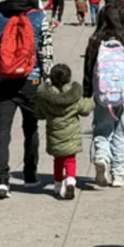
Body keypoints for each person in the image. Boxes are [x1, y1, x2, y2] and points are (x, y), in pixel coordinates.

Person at [0, 0, 53, 199]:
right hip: (31, 79)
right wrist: (46, 78)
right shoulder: (40, 17)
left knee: (2, 129)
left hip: (2, 79)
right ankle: (30, 174)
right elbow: (46, 52)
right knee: (31, 128)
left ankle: (2, 179)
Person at [83, 3, 124, 189]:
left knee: (102, 129)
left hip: (103, 94)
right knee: (122, 132)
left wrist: (87, 93)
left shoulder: (96, 40)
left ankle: (101, 156)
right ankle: (117, 174)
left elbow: (87, 69)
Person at [35, 63, 94, 199]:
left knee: (58, 159)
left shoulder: (46, 96)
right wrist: (91, 101)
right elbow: (85, 109)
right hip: (71, 134)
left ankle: (57, 184)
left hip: (54, 134)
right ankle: (70, 181)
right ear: (69, 78)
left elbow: (39, 114)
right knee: (70, 159)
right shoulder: (73, 95)